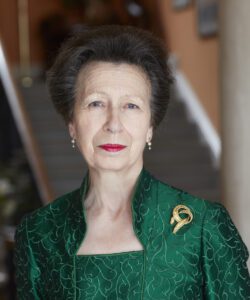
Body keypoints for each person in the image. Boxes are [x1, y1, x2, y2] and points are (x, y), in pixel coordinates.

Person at [14, 25, 250, 299]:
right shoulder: (38, 233)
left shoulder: (203, 227)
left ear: (151, 125)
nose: (113, 124)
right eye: (95, 104)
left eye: (131, 106)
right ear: (72, 124)